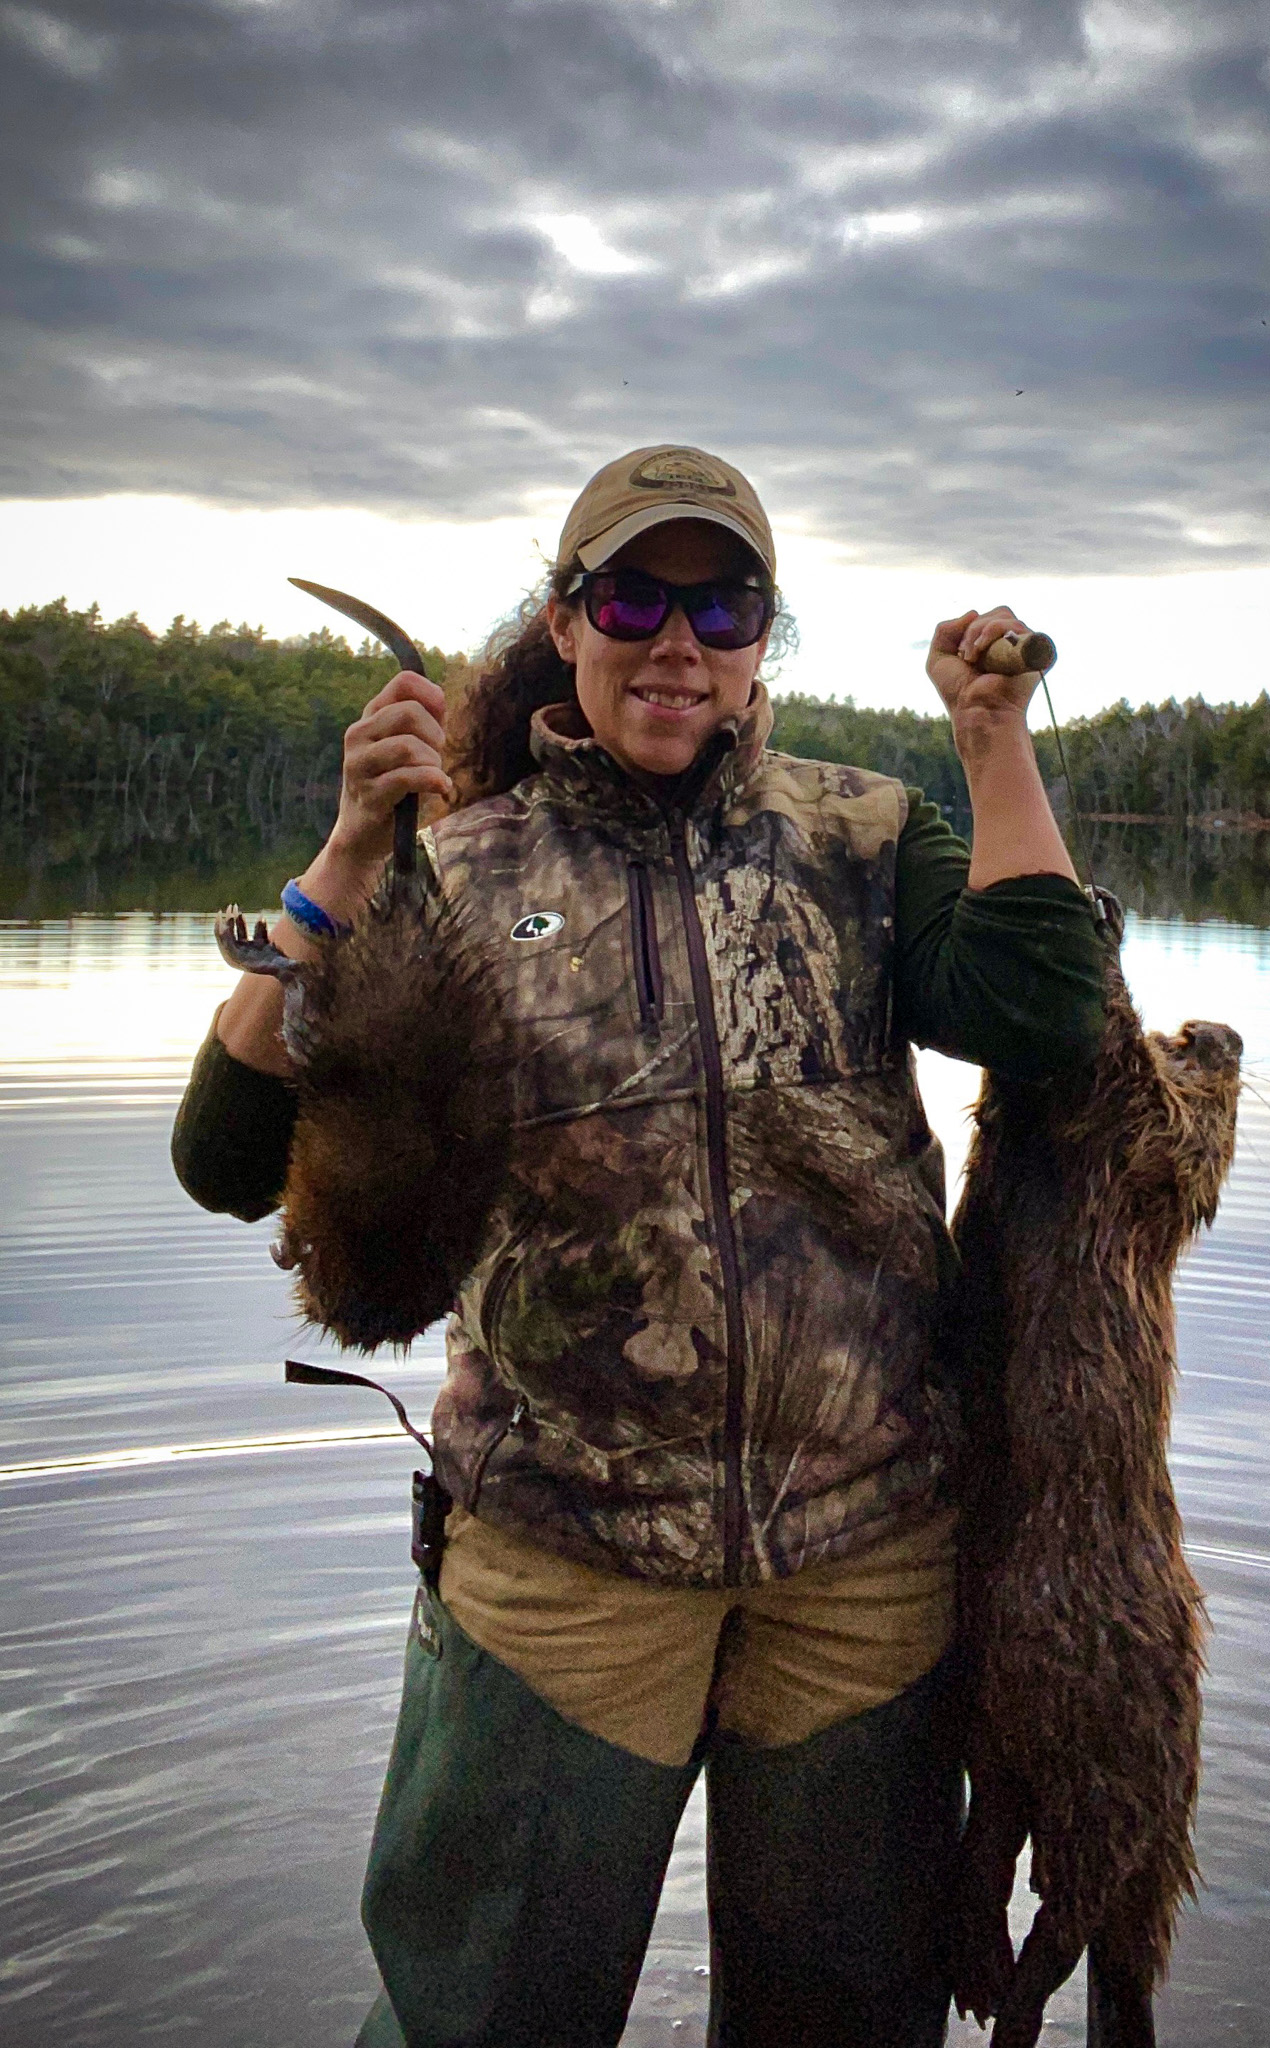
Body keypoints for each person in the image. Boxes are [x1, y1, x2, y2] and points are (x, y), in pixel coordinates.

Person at [172, 444, 1106, 2048]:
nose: (678, 640)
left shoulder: (866, 840)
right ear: (569, 617)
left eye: (723, 602)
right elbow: (228, 1163)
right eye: (635, 596)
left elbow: (1044, 1014)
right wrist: (341, 861)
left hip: (860, 1569)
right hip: (560, 1564)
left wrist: (991, 738)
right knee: (483, 2022)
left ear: (765, 640)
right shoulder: (456, 865)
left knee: (850, 2025)